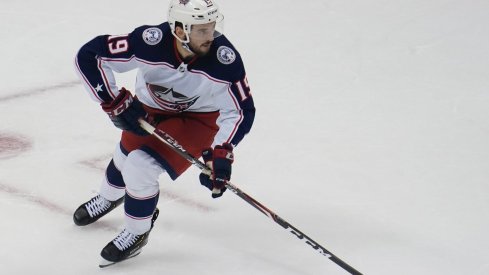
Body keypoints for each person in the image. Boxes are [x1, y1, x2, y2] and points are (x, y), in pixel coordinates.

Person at [73, 0, 255, 266]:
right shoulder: (150, 42)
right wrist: (114, 101)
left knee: (139, 166)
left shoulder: (224, 60)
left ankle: (137, 232)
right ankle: (108, 197)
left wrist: (222, 150)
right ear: (180, 30)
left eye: (213, 27)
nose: (212, 36)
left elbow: (241, 111)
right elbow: (89, 55)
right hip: (149, 110)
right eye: (202, 30)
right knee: (124, 156)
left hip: (198, 121)